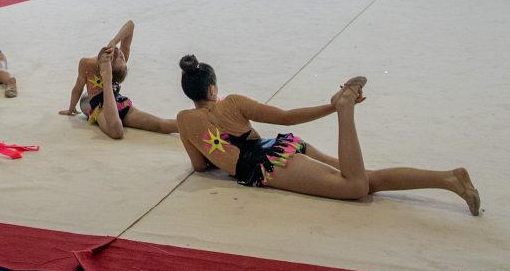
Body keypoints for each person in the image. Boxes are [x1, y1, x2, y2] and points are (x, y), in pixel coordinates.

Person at [174, 56, 480, 215]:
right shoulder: (234, 102)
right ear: (214, 89)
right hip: (277, 146)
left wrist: (340, 108)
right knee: (364, 177)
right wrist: (327, 107)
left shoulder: (185, 120)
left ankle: (346, 109)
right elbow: (286, 117)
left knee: (355, 186)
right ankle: (449, 179)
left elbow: (200, 167)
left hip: (264, 164)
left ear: (190, 92)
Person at [60, 21, 177, 139]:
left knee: (162, 125)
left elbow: (117, 132)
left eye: (120, 58)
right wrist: (114, 41)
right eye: (122, 57)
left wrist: (106, 74)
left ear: (110, 68)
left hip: (117, 103)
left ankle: (190, 125)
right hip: (99, 107)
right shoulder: (87, 63)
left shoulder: (96, 67)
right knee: (118, 129)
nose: (121, 53)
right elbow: (78, 88)